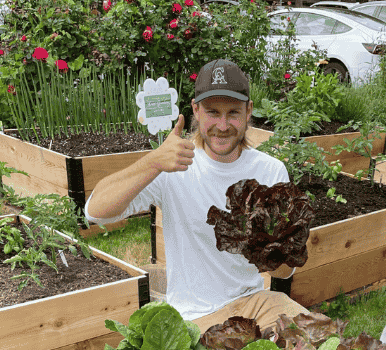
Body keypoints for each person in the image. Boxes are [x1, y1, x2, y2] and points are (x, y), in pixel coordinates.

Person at [85, 58, 309, 333]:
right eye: (213, 112)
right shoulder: (173, 166)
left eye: (233, 113)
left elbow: (284, 272)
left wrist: (269, 243)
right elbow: (95, 211)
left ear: (249, 111)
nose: (223, 125)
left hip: (254, 304)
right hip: (193, 319)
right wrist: (152, 162)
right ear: (196, 110)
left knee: (313, 342)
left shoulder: (271, 171)